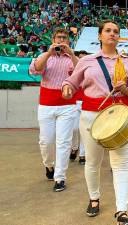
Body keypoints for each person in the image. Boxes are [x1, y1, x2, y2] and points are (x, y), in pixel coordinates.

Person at [62, 20, 128, 225]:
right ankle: (94, 198)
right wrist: (67, 88)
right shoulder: (87, 60)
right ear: (99, 36)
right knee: (93, 162)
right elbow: (72, 81)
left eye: (116, 31)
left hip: (119, 116)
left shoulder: (127, 62)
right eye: (108, 31)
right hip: (92, 116)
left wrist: (124, 90)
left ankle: (122, 212)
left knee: (121, 164)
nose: (112, 34)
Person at [29, 27, 79, 192]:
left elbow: (82, 72)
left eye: (64, 38)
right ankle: (49, 165)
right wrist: (49, 53)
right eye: (59, 37)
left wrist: (71, 54)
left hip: (67, 105)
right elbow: (35, 70)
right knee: (46, 141)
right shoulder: (45, 56)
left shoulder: (72, 58)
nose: (61, 40)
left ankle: (60, 177)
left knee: (64, 142)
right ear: (53, 39)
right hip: (46, 104)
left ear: (68, 41)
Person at [70, 50, 89, 165]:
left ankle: (82, 154)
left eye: (84, 58)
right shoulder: (72, 70)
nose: (82, 60)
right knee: (74, 129)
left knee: (84, 130)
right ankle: (74, 147)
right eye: (80, 57)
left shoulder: (90, 71)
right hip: (73, 103)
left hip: (86, 103)